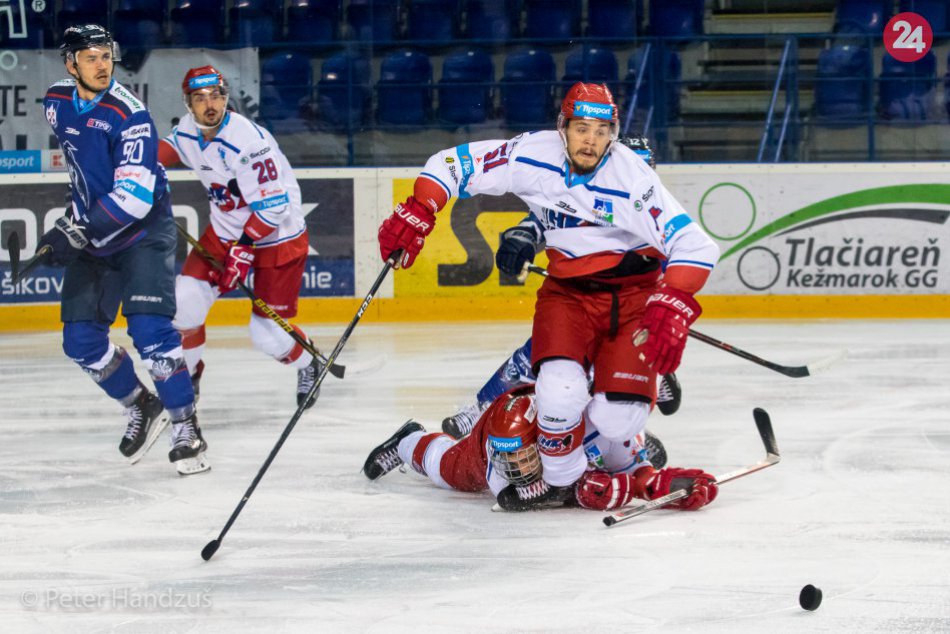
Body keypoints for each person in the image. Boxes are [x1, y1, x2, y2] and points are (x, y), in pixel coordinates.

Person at [376, 83, 720, 508]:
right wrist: (420, 206)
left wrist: (670, 304)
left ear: (613, 134)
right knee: (550, 394)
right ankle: (475, 433)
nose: (590, 140)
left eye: (600, 130)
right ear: (563, 127)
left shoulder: (635, 183)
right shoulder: (533, 155)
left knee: (614, 414)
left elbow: (691, 248)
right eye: (581, 128)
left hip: (628, 302)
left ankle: (610, 442)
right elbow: (456, 163)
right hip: (570, 297)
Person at [38, 25, 206, 475]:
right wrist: (78, 219)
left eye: (106, 55)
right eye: (90, 57)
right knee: (80, 341)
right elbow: (82, 165)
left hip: (142, 233)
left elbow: (132, 198)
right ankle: (139, 403)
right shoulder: (55, 101)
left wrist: (79, 229)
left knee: (151, 333)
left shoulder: (130, 115)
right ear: (70, 64)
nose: (102, 64)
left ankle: (186, 425)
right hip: (96, 234)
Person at [439, 135, 681, 440]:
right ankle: (480, 412)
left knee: (612, 387)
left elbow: (672, 279)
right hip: (578, 306)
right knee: (540, 356)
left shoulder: (659, 217)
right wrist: (521, 239)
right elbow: (544, 220)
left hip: (627, 318)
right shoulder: (585, 196)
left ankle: (626, 440)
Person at [157, 66, 325, 409]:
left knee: (266, 333)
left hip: (277, 237)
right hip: (225, 230)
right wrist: (132, 170)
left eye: (216, 96)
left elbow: (274, 207)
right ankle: (186, 380)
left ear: (226, 98)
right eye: (200, 98)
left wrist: (244, 250)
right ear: (188, 103)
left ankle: (310, 362)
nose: (210, 105)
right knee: (184, 304)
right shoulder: (189, 129)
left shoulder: (248, 141)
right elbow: (164, 151)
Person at [363, 386, 718, 513]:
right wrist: (576, 492)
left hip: (570, 427)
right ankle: (408, 439)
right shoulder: (497, 449)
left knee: (617, 447)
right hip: (489, 431)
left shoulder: (593, 428)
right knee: (445, 468)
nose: (516, 465)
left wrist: (653, 485)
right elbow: (511, 498)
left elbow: (638, 475)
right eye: (511, 458)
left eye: (523, 454)